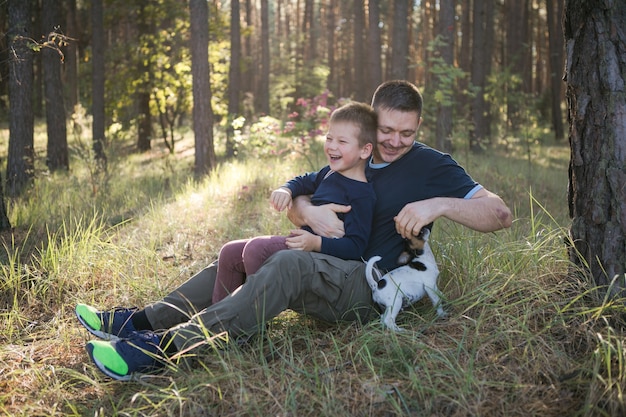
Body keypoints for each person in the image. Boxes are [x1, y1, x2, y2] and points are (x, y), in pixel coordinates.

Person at [76, 80, 513, 381]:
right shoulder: (350, 155)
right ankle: (138, 320)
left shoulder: (431, 165)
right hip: (327, 262)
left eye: (407, 133)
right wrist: (304, 208)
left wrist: (439, 204)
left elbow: (499, 214)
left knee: (286, 264)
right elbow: (303, 196)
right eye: (386, 130)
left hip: (368, 282)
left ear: (418, 128)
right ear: (368, 123)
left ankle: (159, 349)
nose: (396, 142)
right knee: (239, 251)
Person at [211, 102, 377, 303]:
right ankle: (220, 319)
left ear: (365, 150)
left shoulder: (362, 195)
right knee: (229, 252)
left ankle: (251, 321)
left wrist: (317, 243)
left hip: (319, 259)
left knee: (256, 249)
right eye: (329, 138)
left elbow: (356, 247)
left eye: (342, 141)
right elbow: (303, 180)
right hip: (302, 244)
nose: (332, 146)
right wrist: (286, 189)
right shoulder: (329, 173)